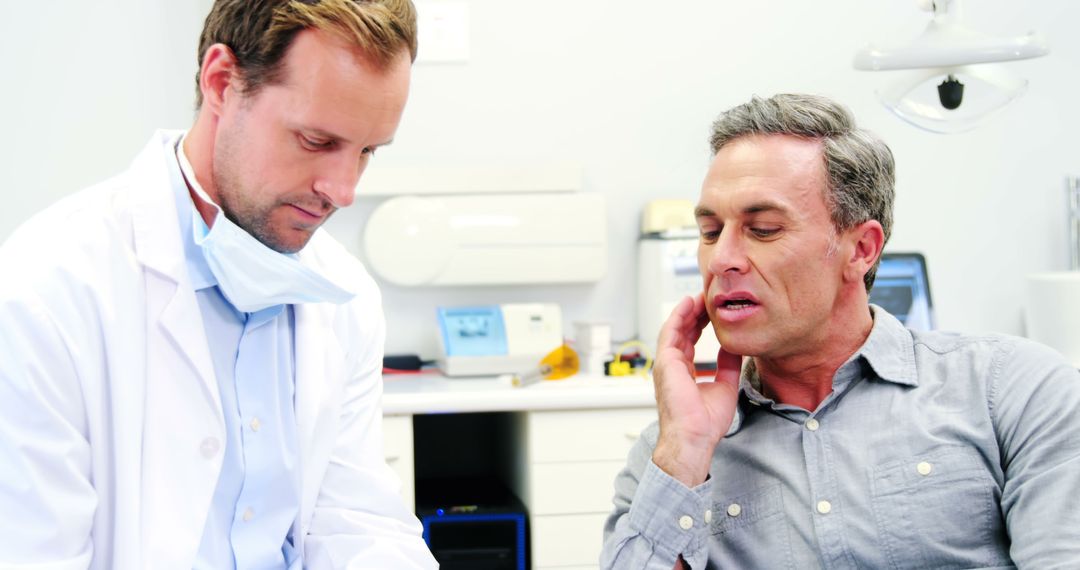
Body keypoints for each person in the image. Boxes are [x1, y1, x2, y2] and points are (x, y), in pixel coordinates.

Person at [0, 1, 437, 568]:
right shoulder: (44, 291)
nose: (343, 189)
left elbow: (352, 521)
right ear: (222, 82)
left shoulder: (342, 295)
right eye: (315, 141)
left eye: (367, 151)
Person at [601, 93, 1080, 569]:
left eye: (763, 228)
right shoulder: (666, 455)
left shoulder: (1013, 392)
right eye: (709, 232)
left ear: (861, 249)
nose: (721, 259)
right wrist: (683, 455)